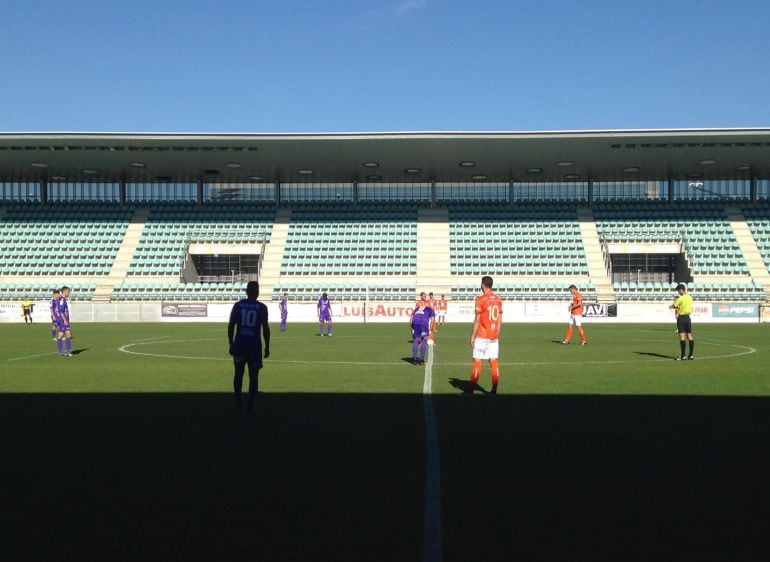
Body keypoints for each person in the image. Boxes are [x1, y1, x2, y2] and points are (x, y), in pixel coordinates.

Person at [228, 281, 270, 412]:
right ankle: (251, 405)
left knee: (238, 375)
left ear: (246, 291)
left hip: (239, 344)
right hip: (254, 347)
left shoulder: (238, 305)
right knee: (254, 377)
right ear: (257, 292)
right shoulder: (262, 307)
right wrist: (267, 346)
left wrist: (231, 343)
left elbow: (231, 326)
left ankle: (238, 403)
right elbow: (265, 328)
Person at [464, 276, 502, 395]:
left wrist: (472, 336)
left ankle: (470, 391)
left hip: (482, 335)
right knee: (493, 361)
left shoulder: (480, 299)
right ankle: (494, 390)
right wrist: (497, 333)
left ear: (483, 285)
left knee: (477, 361)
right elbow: (500, 320)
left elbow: (477, 320)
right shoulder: (498, 299)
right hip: (494, 336)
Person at [669, 283, 695, 360]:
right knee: (689, 335)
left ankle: (683, 356)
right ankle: (691, 355)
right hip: (688, 318)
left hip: (682, 318)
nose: (678, 292)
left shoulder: (681, 298)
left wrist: (670, 306)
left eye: (678, 291)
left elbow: (674, 305)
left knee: (682, 336)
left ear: (681, 290)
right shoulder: (690, 297)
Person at [410, 300, 435, 365]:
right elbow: (432, 320)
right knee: (423, 341)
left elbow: (411, 319)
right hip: (423, 324)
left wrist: (412, 327)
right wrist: (431, 329)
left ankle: (414, 360)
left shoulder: (416, 309)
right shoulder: (430, 309)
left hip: (415, 323)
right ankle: (422, 360)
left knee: (415, 340)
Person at [54, 286, 73, 356]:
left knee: (60, 335)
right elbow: (61, 311)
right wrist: (65, 320)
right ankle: (68, 351)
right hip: (63, 320)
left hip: (62, 320)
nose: (69, 293)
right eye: (68, 292)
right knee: (68, 334)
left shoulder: (62, 299)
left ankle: (60, 352)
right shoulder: (62, 300)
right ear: (65, 292)